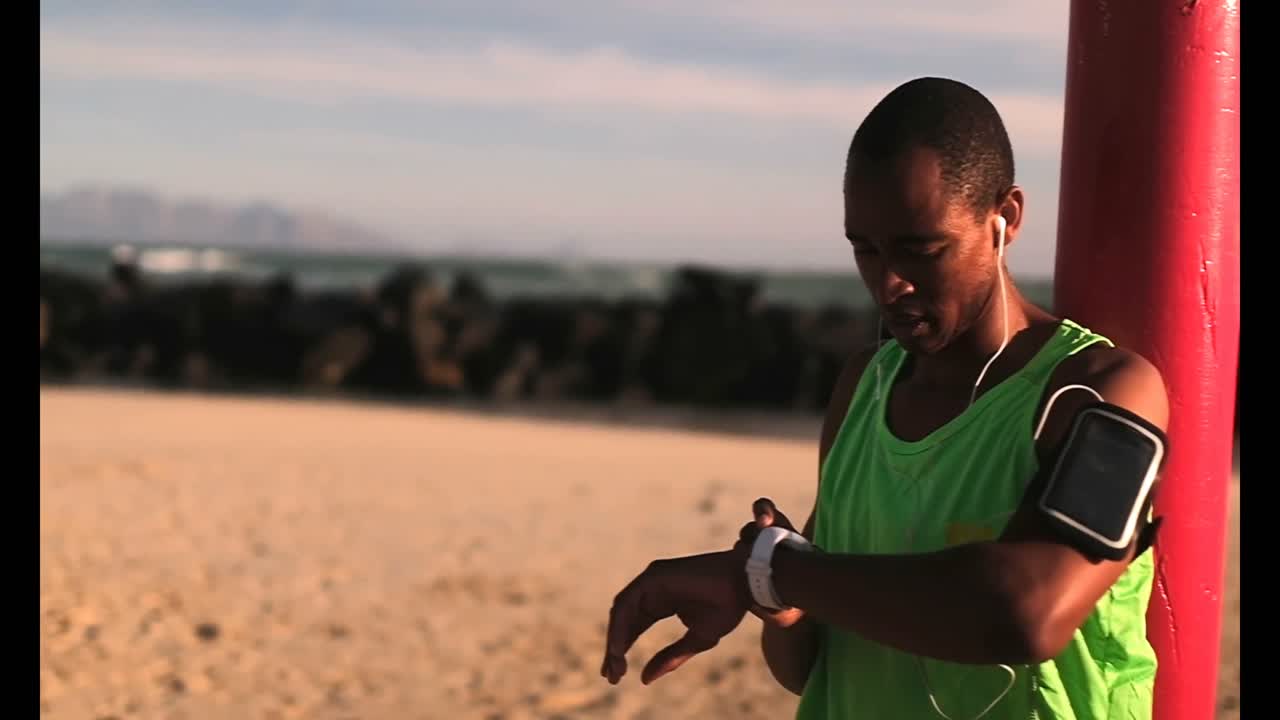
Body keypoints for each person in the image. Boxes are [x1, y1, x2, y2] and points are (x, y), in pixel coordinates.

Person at [600, 77, 1169, 720]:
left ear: (1004, 217)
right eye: (865, 250)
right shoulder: (865, 386)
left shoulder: (1102, 389)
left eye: (921, 250)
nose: (889, 283)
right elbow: (809, 665)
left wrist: (770, 568)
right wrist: (775, 598)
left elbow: (1027, 612)